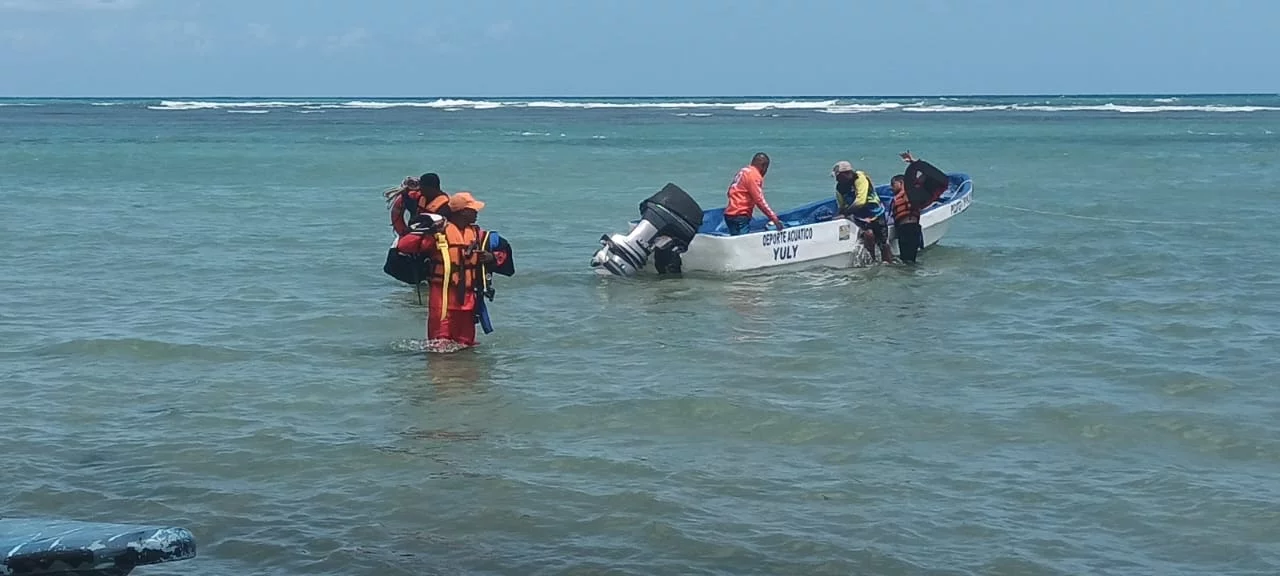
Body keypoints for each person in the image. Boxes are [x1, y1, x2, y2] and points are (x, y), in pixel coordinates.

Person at [396, 192, 514, 350]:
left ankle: (463, 371)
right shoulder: (439, 233)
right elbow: (404, 246)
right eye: (473, 209)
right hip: (443, 300)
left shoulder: (479, 235)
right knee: (439, 346)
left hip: (468, 301)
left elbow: (505, 254)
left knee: (466, 346)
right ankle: (440, 373)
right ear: (462, 212)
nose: (476, 212)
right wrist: (426, 229)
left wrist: (492, 257)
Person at [891, 150, 950, 264]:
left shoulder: (914, 192)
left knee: (908, 262)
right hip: (903, 230)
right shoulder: (900, 195)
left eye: (893, 184)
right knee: (906, 262)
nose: (891, 188)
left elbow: (935, 175)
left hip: (910, 228)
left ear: (900, 182)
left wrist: (916, 163)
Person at [831, 160, 893, 264]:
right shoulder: (839, 188)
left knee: (883, 242)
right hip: (860, 216)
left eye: (837, 176)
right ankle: (872, 261)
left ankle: (888, 263)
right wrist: (838, 216)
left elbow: (861, 201)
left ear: (845, 173)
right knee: (868, 235)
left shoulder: (859, 178)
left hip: (876, 213)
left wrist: (845, 213)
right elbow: (841, 205)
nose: (836, 179)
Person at [723, 152, 784, 235]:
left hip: (729, 214)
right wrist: (774, 219)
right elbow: (759, 200)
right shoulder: (754, 176)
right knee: (743, 241)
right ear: (763, 166)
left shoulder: (742, 171)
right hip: (741, 215)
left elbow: (729, 191)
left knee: (734, 238)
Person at [388, 172, 452, 237]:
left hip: (431, 236)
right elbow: (412, 209)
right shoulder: (422, 197)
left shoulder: (445, 205)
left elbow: (436, 224)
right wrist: (405, 194)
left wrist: (412, 229)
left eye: (422, 187)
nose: (420, 189)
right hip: (415, 232)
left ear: (430, 188)